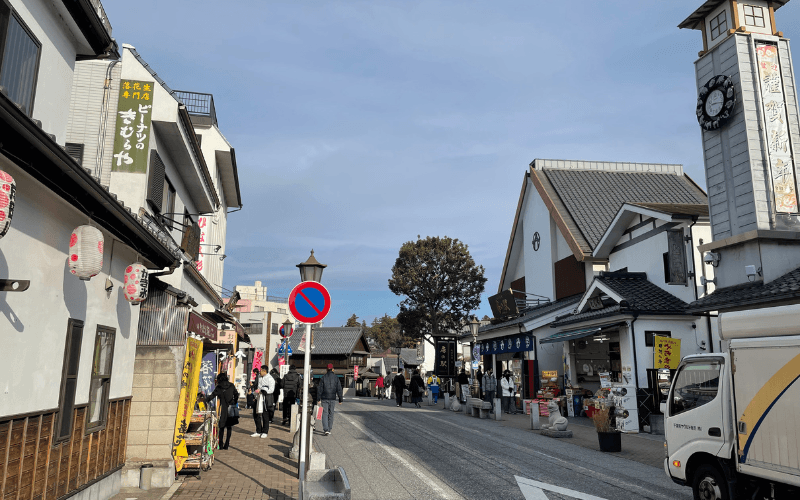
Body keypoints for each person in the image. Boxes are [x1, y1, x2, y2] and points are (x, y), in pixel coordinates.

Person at [207, 373, 239, 449]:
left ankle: (220, 444)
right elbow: (236, 394)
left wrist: (205, 400)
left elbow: (212, 396)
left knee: (221, 427)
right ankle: (227, 444)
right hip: (230, 407)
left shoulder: (219, 387)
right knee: (229, 427)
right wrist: (234, 402)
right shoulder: (231, 385)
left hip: (223, 409)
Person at [317, 364, 342, 435]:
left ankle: (326, 429)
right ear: (333, 369)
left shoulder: (323, 377)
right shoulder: (336, 377)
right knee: (331, 413)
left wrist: (318, 398)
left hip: (324, 397)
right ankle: (329, 428)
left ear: (326, 369)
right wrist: (340, 399)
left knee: (325, 413)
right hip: (332, 398)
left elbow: (320, 389)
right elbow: (339, 389)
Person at [250, 366, 275, 438]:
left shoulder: (270, 379)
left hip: (266, 399)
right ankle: (258, 430)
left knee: (265, 415)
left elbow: (271, 389)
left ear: (264, 371)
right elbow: (258, 386)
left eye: (261, 370)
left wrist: (264, 391)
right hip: (258, 397)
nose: (259, 372)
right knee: (256, 414)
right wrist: (256, 392)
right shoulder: (259, 377)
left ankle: (265, 431)